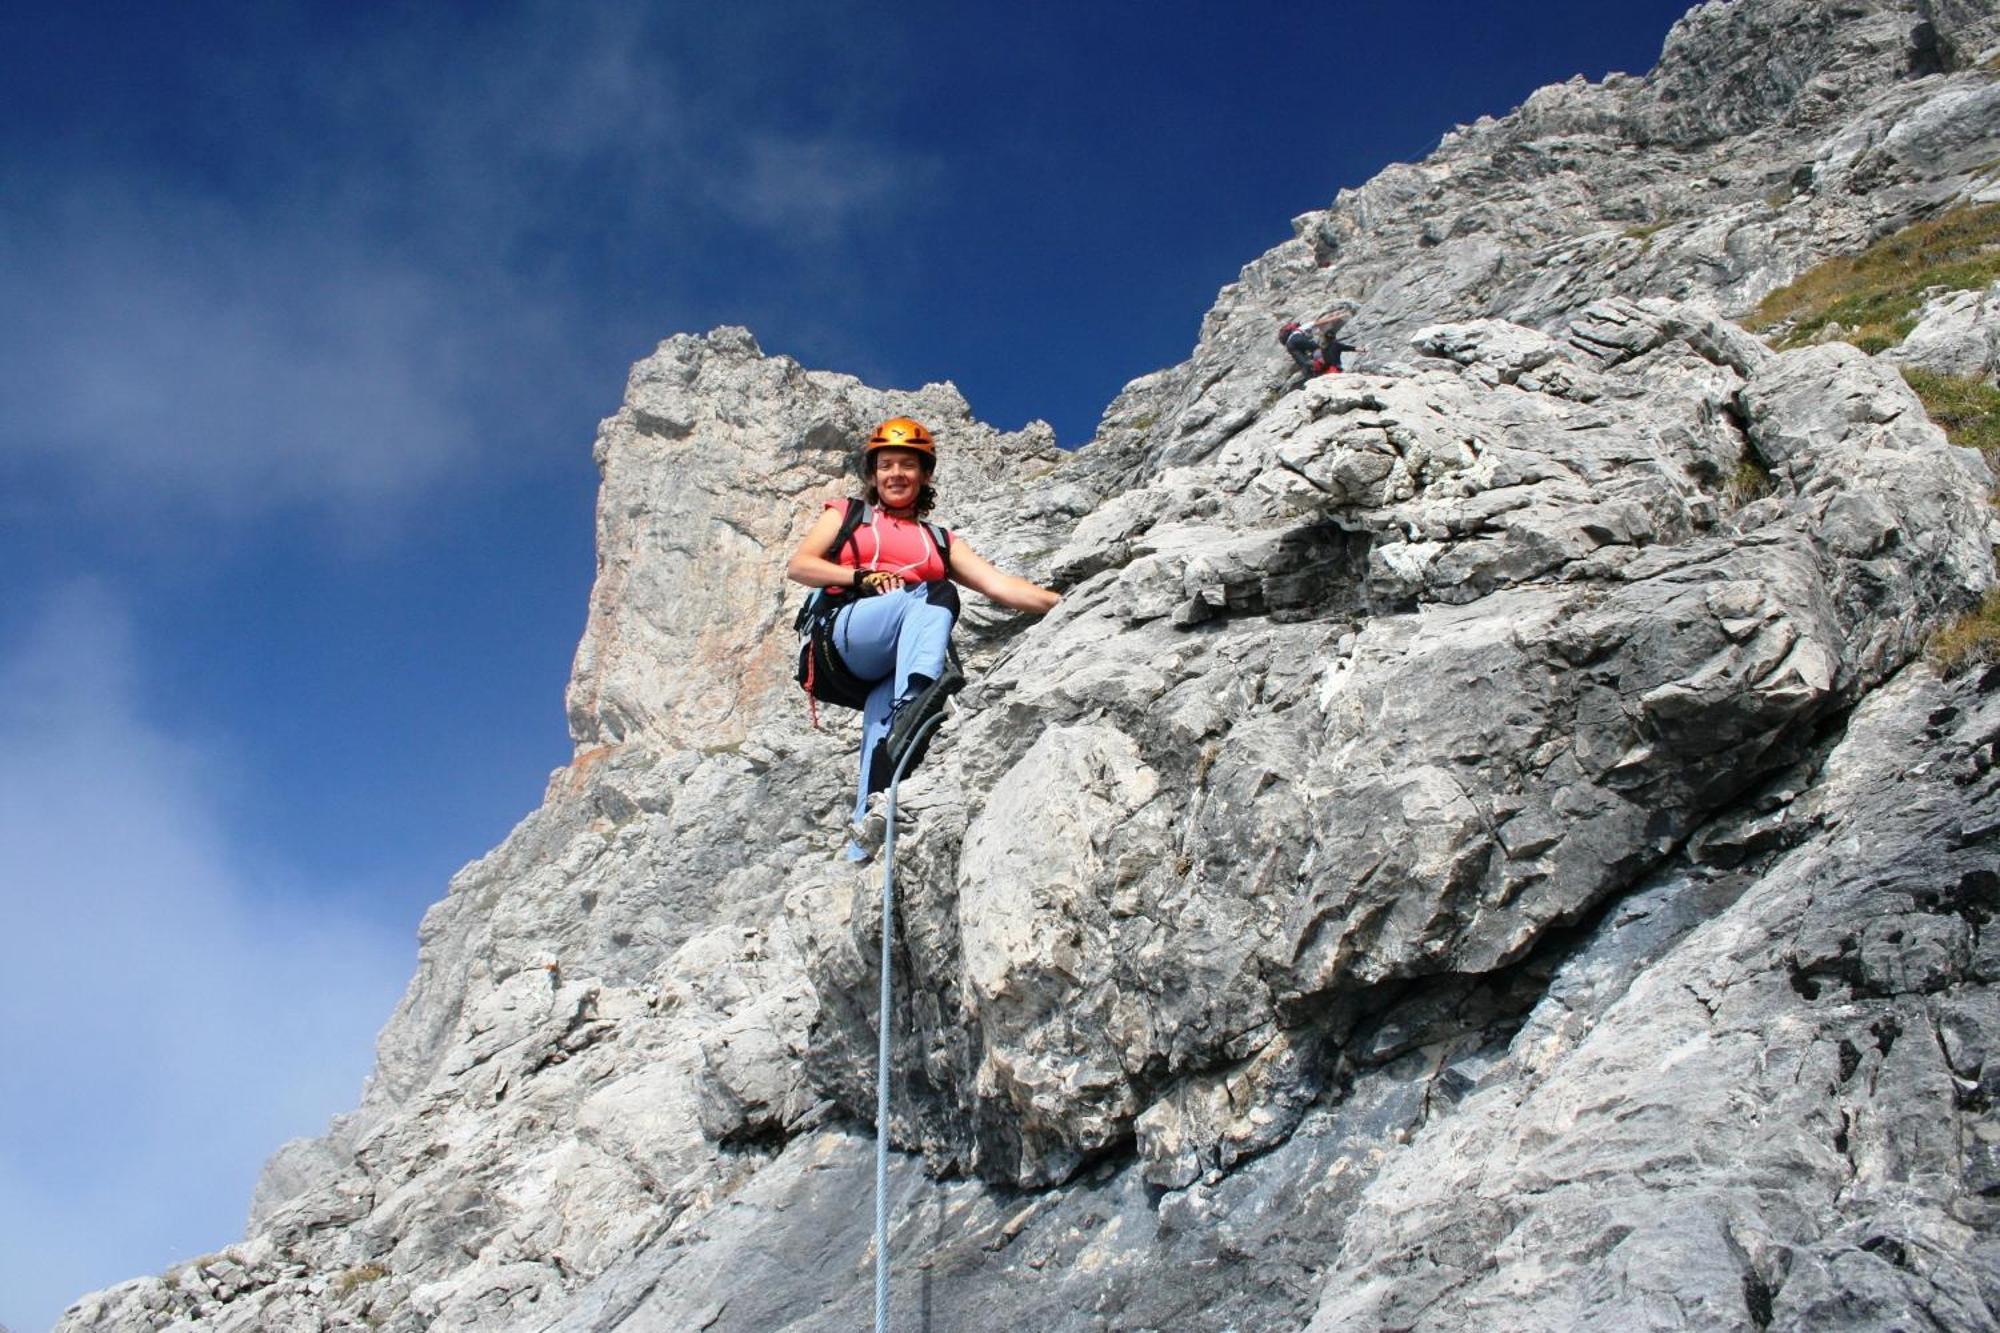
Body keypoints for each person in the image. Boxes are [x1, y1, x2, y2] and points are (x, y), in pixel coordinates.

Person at [787, 416, 1060, 859]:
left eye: (907, 465)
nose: (896, 474)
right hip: (845, 636)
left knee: (882, 743)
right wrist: (860, 577)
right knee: (936, 593)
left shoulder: (940, 540)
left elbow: (1000, 586)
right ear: (873, 475)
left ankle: (868, 846)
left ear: (925, 475)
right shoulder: (847, 515)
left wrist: (1061, 602)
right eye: (886, 464)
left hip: (887, 665)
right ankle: (917, 699)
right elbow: (801, 566)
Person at [1279, 305, 1358, 377]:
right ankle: (1331, 369)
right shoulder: (1302, 327)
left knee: (1304, 363)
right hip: (1297, 338)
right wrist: (1339, 316)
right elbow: (1321, 322)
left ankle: (1311, 375)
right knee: (1319, 350)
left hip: (1290, 346)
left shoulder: (1289, 339)